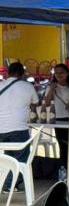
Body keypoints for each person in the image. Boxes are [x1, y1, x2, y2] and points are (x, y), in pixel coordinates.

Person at [0, 62, 38, 191]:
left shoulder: (0, 85)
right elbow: (35, 103)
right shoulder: (28, 86)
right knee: (20, 159)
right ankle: (8, 185)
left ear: (8, 72)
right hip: (19, 129)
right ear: (23, 73)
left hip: (1, 129)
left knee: (6, 157)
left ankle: (12, 183)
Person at [42, 63, 69, 170]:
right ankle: (64, 169)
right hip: (59, 119)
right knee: (62, 145)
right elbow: (47, 103)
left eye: (62, 73)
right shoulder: (52, 86)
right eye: (56, 73)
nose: (59, 75)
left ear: (67, 73)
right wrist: (51, 89)